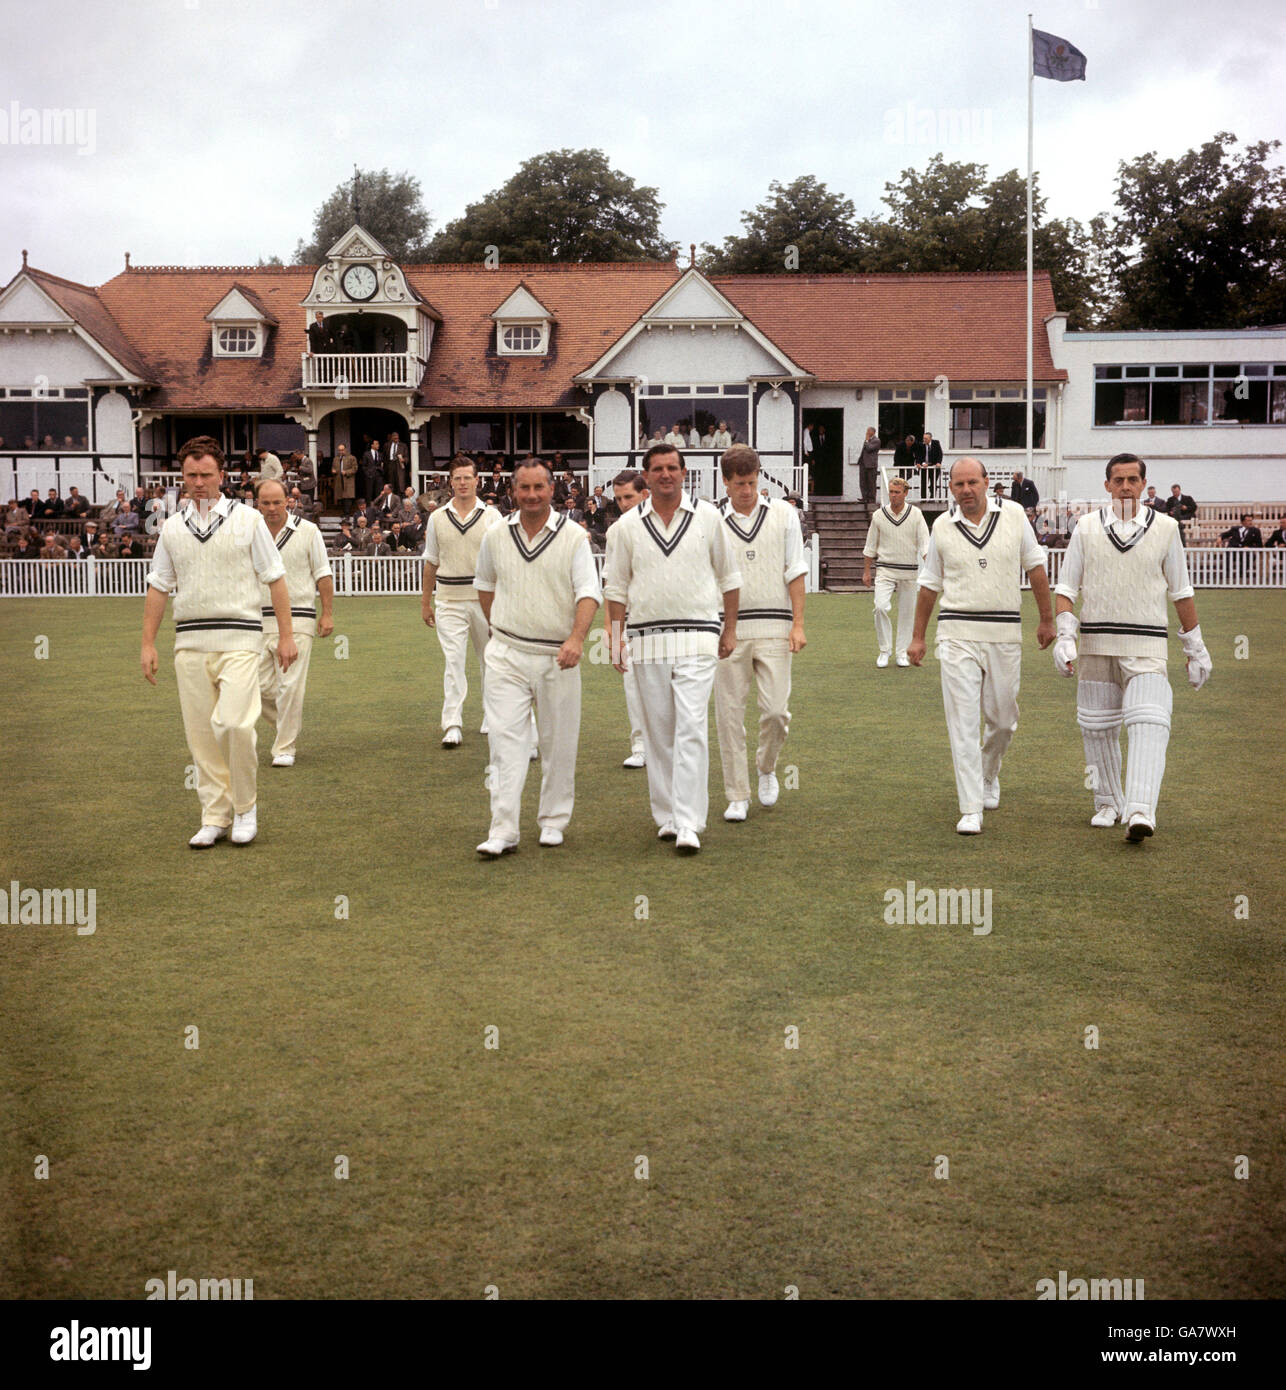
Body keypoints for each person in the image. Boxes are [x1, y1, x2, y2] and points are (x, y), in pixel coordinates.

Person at [141, 436, 296, 848]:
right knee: (201, 737)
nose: (198, 482)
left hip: (241, 640)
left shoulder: (248, 519)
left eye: (206, 474)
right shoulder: (172, 527)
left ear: (221, 476)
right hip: (190, 644)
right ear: (182, 476)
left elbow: (275, 577)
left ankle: (245, 808)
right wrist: (148, 644)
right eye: (190, 475)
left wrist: (285, 636)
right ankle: (214, 815)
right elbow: (159, 586)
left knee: (234, 725)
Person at [1052, 453, 1211, 841]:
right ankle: (1108, 802)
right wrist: (1065, 636)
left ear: (1143, 485)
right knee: (1097, 727)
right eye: (1118, 479)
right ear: (1107, 485)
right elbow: (1067, 588)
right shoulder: (1086, 527)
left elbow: (1181, 591)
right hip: (1096, 643)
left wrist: (1196, 647)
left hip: (1147, 643)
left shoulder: (1167, 528)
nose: (1125, 486)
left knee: (1149, 722)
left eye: (1133, 479)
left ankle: (1141, 810)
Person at [603, 444, 741, 854]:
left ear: (685, 473)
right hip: (646, 639)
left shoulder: (709, 517)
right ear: (645, 476)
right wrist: (614, 638)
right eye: (658, 469)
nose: (666, 475)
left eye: (672, 468)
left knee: (691, 727)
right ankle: (665, 815)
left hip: (699, 636)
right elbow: (616, 588)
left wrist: (729, 630)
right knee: (659, 731)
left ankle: (688, 821)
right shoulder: (624, 528)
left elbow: (730, 578)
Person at [907, 457, 1055, 834]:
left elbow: (1036, 567)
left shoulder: (1015, 515)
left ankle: (989, 775)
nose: (966, 490)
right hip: (956, 633)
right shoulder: (941, 525)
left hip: (1004, 632)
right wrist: (918, 637)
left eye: (973, 482)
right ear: (951, 488)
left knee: (1004, 720)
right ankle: (970, 806)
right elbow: (929, 586)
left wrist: (1046, 618)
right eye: (959, 485)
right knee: (962, 721)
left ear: (987, 482)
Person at [472, 457, 601, 857]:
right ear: (513, 491)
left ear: (552, 490)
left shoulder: (574, 537)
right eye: (523, 488)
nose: (531, 496)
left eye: (538, 488)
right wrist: (503, 629)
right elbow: (485, 587)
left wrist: (577, 639)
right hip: (506, 654)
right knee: (505, 744)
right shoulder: (495, 534)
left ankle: (553, 820)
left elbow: (588, 594)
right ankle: (503, 829)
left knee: (557, 743)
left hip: (556, 656)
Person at [713, 446, 807, 823]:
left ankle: (767, 768)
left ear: (759, 477)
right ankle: (737, 794)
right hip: (727, 629)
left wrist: (798, 624)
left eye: (752, 482)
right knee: (729, 715)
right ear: (725, 481)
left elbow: (796, 569)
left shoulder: (784, 513)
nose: (747, 491)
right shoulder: (711, 520)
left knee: (775, 711)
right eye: (739, 484)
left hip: (775, 625)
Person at [421, 455, 505, 748]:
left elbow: (503, 561)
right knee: (454, 661)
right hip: (449, 600)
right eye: (457, 478)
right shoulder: (437, 517)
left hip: (486, 601)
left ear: (477, 481)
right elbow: (431, 562)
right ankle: (452, 723)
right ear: (450, 481)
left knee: (490, 661)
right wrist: (425, 602)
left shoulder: (493, 517)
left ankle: (491, 718)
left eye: (467, 477)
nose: (462, 483)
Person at [254, 479, 334, 767]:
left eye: (278, 502)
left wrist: (327, 613)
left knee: (290, 687)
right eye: (266, 503)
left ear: (289, 500)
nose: (272, 508)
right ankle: (289, 726)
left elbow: (323, 574)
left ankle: (284, 747)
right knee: (256, 687)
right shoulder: (249, 532)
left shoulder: (308, 531)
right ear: (257, 504)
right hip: (256, 619)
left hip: (299, 616)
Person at [862, 475, 930, 668]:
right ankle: (885, 651)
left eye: (897, 492)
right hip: (885, 569)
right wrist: (867, 571)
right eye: (890, 492)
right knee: (881, 607)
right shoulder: (879, 515)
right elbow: (870, 545)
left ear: (905, 493)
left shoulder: (916, 514)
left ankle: (901, 653)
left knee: (907, 614)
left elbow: (925, 544)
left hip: (909, 571)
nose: (893, 496)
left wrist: (932, 568)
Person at [610, 469, 650, 769]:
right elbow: (613, 591)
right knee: (633, 687)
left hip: (669, 623)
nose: (624, 503)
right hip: (633, 623)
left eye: (629, 497)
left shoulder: (667, 524)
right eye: (619, 498)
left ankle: (670, 747)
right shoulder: (615, 532)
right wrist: (614, 636)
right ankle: (640, 746)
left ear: (644, 494)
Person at [914, 432, 944, 499]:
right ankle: (923, 499)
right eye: (923, 438)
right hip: (924, 468)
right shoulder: (921, 445)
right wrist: (918, 463)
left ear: (930, 438)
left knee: (933, 483)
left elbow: (940, 454)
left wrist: (939, 462)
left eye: (926, 439)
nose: (924, 440)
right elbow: (918, 455)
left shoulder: (936, 443)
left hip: (934, 467)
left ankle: (932, 498)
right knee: (923, 483)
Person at [857, 425, 881, 504]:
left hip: (871, 465)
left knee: (871, 482)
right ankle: (864, 497)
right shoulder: (867, 440)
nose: (867, 432)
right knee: (863, 481)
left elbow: (869, 448)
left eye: (868, 431)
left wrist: (867, 441)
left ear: (873, 432)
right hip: (863, 464)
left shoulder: (876, 440)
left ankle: (871, 499)